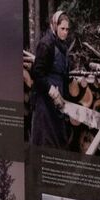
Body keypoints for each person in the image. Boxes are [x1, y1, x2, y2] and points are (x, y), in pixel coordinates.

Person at [29, 10, 72, 148]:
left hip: (58, 103)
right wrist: (50, 90)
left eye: (67, 29)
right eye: (62, 29)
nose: (65, 32)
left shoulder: (63, 47)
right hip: (44, 102)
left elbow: (64, 75)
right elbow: (37, 72)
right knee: (44, 142)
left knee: (59, 143)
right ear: (54, 26)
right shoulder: (46, 44)